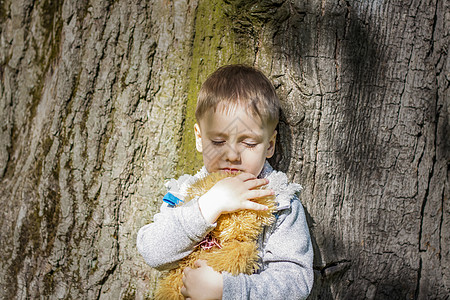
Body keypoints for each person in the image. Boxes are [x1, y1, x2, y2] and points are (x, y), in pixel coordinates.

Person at [137, 65, 313, 299]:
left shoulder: (280, 204)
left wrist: (227, 291)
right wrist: (208, 206)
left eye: (249, 143)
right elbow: (153, 251)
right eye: (218, 141)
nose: (232, 155)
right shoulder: (184, 192)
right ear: (200, 139)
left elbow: (295, 282)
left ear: (270, 145)